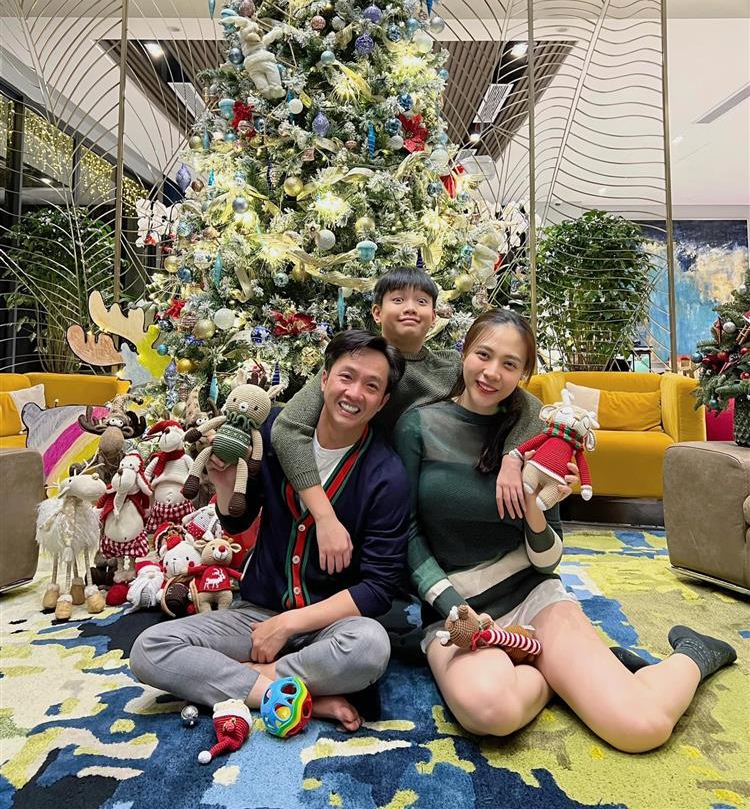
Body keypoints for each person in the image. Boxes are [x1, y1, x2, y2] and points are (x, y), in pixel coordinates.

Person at [393, 308, 737, 753]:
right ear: (464, 353)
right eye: (483, 355)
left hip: (532, 597)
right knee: (489, 711)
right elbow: (405, 532)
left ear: (524, 373)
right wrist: (456, 608)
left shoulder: (537, 430)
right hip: (453, 610)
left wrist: (536, 507)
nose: (492, 372)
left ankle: (694, 653)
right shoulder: (419, 425)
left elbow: (549, 559)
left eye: (510, 364)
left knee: (642, 727)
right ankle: (557, 674)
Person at [130, 331, 410, 752]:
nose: (355, 393)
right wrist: (225, 484)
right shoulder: (277, 437)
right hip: (255, 616)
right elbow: (238, 520)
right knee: (149, 649)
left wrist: (287, 625)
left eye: (371, 386)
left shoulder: (387, 475)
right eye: (346, 377)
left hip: (328, 627)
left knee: (369, 648)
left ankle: (245, 681)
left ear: (383, 401)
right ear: (324, 379)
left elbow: (378, 588)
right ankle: (291, 695)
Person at [272, 267, 540, 573]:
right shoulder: (355, 365)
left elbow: (532, 408)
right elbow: (288, 428)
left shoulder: (452, 367)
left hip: (421, 495)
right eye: (398, 299)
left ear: (434, 316)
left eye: (422, 301)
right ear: (377, 312)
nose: (410, 308)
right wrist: (324, 515)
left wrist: (512, 457)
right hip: (356, 489)